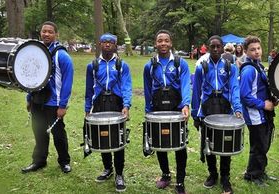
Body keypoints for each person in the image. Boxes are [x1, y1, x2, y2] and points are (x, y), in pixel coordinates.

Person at [191, 35, 242, 194]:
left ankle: (225, 177)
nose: (215, 49)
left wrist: (238, 108)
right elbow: (196, 91)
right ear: (207, 47)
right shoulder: (201, 67)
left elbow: (234, 88)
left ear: (222, 47)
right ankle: (213, 173)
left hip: (225, 108)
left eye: (218, 46)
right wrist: (195, 114)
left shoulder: (230, 67)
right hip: (207, 108)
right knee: (209, 143)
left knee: (226, 143)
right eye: (212, 46)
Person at [143, 30, 191, 194]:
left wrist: (186, 104)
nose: (163, 43)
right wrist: (148, 111)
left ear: (171, 43)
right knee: (160, 144)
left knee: (180, 145)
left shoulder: (180, 63)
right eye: (160, 41)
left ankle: (180, 181)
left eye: (166, 41)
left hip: (176, 108)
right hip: (157, 110)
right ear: (155, 44)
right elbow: (147, 89)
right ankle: (165, 175)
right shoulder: (149, 65)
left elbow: (185, 84)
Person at [22, 21, 74, 174]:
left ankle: (64, 162)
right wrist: (29, 98)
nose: (46, 34)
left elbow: (67, 82)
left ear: (56, 34)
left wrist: (63, 105)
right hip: (37, 100)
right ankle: (39, 161)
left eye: (50, 32)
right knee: (39, 133)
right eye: (44, 31)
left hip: (54, 103)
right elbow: (31, 77)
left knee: (58, 135)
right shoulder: (36, 53)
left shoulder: (61, 55)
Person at [84, 33, 132, 192]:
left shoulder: (121, 65)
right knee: (102, 137)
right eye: (104, 42)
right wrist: (87, 109)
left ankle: (119, 173)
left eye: (110, 42)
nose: (107, 45)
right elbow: (88, 90)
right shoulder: (92, 65)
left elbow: (126, 86)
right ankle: (107, 168)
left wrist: (126, 105)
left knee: (118, 139)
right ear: (99, 44)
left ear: (115, 45)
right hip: (99, 103)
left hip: (116, 103)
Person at [239, 36, 278, 186]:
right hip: (255, 115)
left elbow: (262, 89)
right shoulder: (249, 70)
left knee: (264, 145)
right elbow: (245, 96)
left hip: (263, 114)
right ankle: (253, 176)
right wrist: (263, 105)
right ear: (246, 51)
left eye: (258, 48)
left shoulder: (259, 66)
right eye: (252, 49)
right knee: (259, 147)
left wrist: (273, 100)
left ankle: (259, 171)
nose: (257, 52)